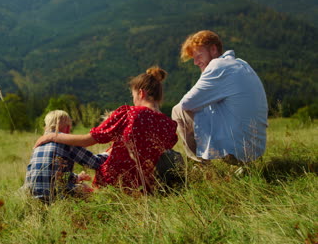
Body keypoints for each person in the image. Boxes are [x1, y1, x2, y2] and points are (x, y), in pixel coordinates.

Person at [35, 66, 178, 193]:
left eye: (133, 96)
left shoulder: (130, 113)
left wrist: (53, 136)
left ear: (141, 93)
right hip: (144, 189)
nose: (133, 100)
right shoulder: (170, 127)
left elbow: (87, 140)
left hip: (112, 183)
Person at [172, 30, 268, 165]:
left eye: (199, 56)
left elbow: (186, 104)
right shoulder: (241, 63)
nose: (195, 62)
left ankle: (201, 165)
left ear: (213, 49)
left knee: (178, 111)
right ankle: (244, 165)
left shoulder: (217, 66)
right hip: (255, 149)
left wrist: (204, 73)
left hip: (238, 150)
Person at [24, 110, 108, 203]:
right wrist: (109, 153)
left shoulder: (40, 143)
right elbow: (94, 163)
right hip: (57, 196)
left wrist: (78, 177)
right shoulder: (67, 141)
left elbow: (53, 173)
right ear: (68, 127)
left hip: (32, 195)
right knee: (85, 188)